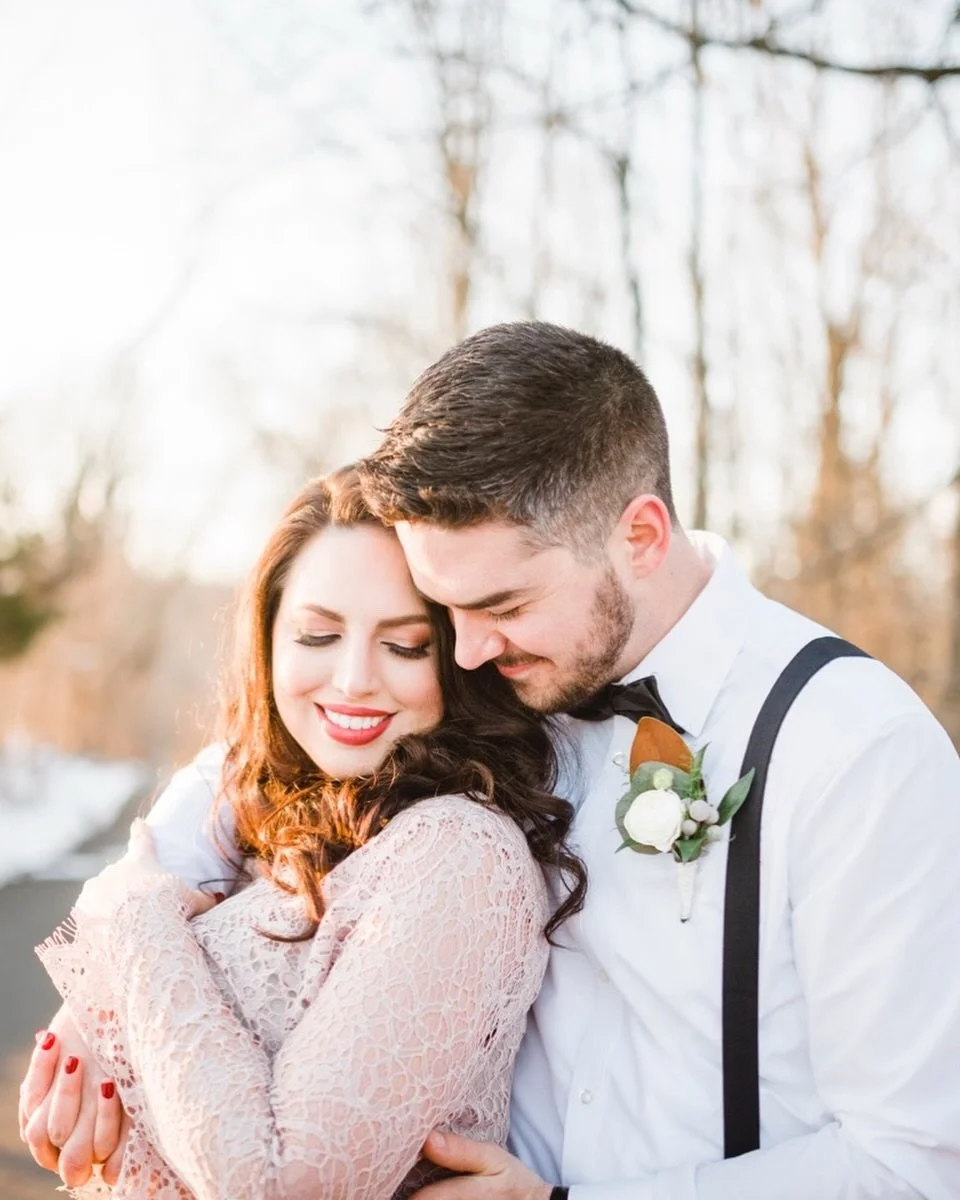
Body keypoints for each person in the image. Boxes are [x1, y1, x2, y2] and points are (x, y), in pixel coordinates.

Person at [24, 321, 960, 1199]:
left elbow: (914, 1160)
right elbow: (255, 765)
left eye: (503, 605)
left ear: (639, 536)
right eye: (444, 613)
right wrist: (101, 1000)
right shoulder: (511, 676)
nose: (464, 651)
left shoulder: (854, 747)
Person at [23, 465, 586, 1199]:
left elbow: (279, 1186)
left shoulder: (459, 852)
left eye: (406, 645)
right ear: (270, 642)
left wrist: (127, 916)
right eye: (319, 633)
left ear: (456, 659)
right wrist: (97, 1009)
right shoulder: (262, 811)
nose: (353, 678)